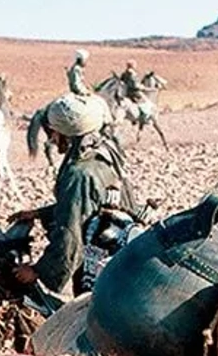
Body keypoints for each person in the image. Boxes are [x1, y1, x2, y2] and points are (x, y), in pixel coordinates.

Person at [14, 93, 132, 301]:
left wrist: (38, 271)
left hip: (99, 261)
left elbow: (71, 231)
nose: (51, 139)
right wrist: (39, 213)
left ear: (64, 133)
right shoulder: (104, 151)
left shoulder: (79, 173)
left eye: (52, 133)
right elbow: (89, 204)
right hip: (124, 249)